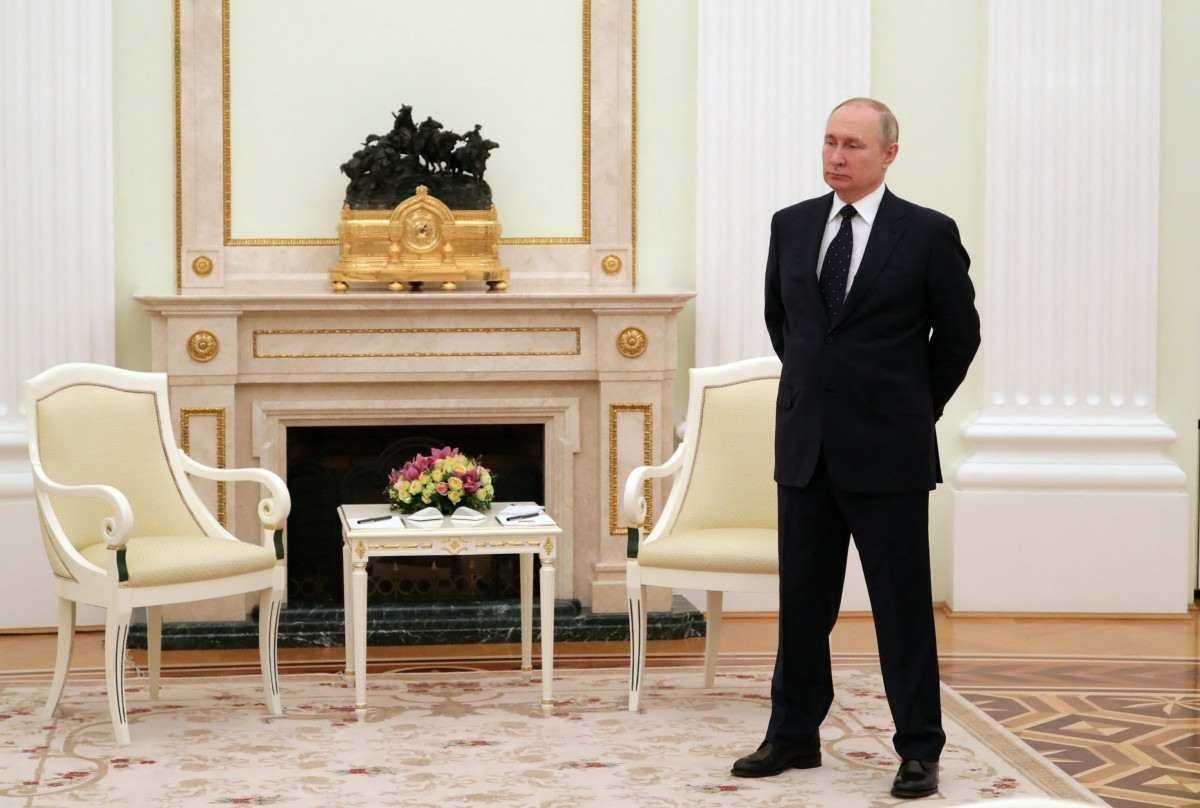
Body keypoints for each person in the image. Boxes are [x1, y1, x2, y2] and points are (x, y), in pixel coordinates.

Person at [732, 97, 981, 799]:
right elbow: (784, 325)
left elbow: (959, 337)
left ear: (889, 154)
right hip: (805, 448)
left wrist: (912, 409)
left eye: (853, 146)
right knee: (802, 605)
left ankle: (919, 749)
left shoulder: (927, 233)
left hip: (889, 453)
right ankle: (792, 734)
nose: (836, 157)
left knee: (901, 608)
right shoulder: (791, 225)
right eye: (829, 142)